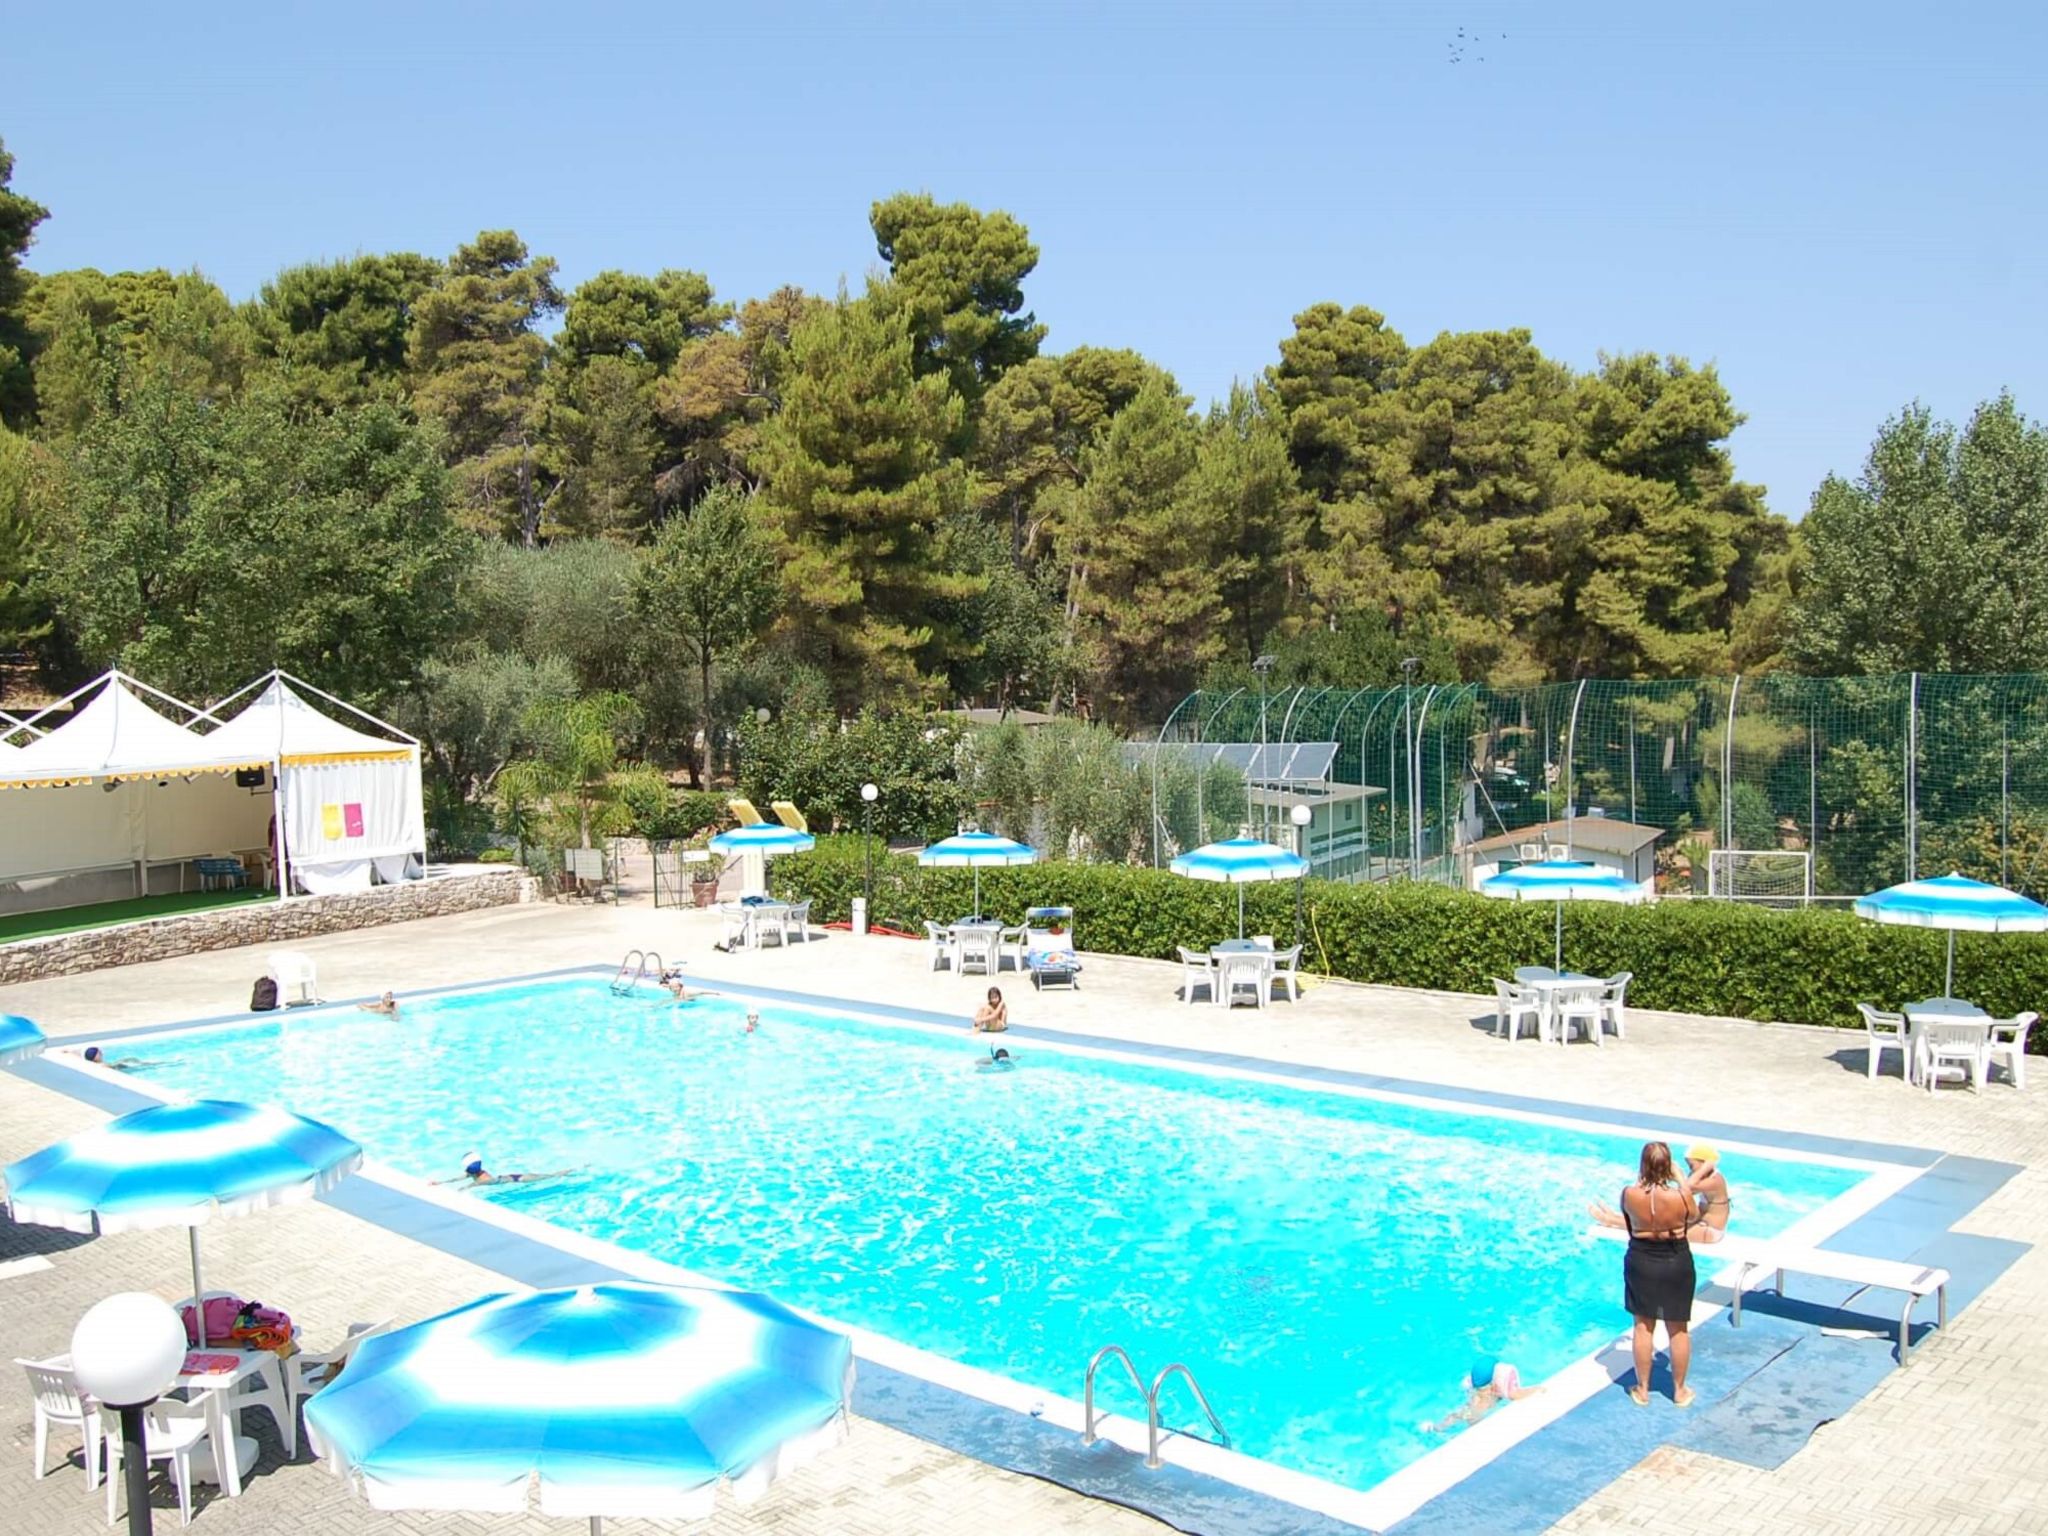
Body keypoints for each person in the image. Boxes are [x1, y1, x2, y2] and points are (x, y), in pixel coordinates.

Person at [1620, 1140, 1699, 1407]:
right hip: (1675, 1260)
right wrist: (1680, 1180)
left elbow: (1630, 1222)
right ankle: (1679, 1391)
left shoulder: (1628, 1194)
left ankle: (1642, 1390)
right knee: (1678, 1328)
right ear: (1669, 1165)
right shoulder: (1679, 1197)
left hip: (1642, 1259)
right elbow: (1694, 1215)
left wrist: (1643, 1179)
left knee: (1643, 1326)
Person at [1590, 1144, 1730, 1245]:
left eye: (1692, 1166)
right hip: (1700, 1224)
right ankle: (1613, 1217)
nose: (1691, 1170)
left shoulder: (1715, 1180)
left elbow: (1688, 1188)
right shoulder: (1703, 1177)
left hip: (1710, 1231)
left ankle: (1611, 1221)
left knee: (1657, 1229)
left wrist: (1704, 1167)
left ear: (1705, 1164)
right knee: (1658, 1220)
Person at [1422, 1356, 1541, 1432]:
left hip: (1474, 1405)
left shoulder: (1480, 1392)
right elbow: (1516, 1395)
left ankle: (1436, 1428)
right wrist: (1536, 1389)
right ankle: (1436, 1428)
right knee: (1470, 1415)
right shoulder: (1485, 1400)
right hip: (1477, 1416)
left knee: (1461, 1413)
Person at [441, 1154, 578, 1188]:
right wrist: (440, 1182)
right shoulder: (473, 1172)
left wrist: (461, 1190)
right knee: (548, 1176)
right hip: (513, 1177)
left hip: (519, 1179)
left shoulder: (485, 1179)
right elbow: (457, 1179)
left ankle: (575, 1170)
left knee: (550, 1177)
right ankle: (572, 1170)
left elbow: (475, 1185)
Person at [81, 1045, 167, 1071]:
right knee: (144, 1065)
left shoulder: (92, 1063)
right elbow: (108, 1067)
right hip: (120, 1068)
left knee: (130, 1059)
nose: (102, 1053)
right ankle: (157, 1064)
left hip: (117, 1065)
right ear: (96, 1057)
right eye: (99, 1053)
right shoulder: (101, 1065)